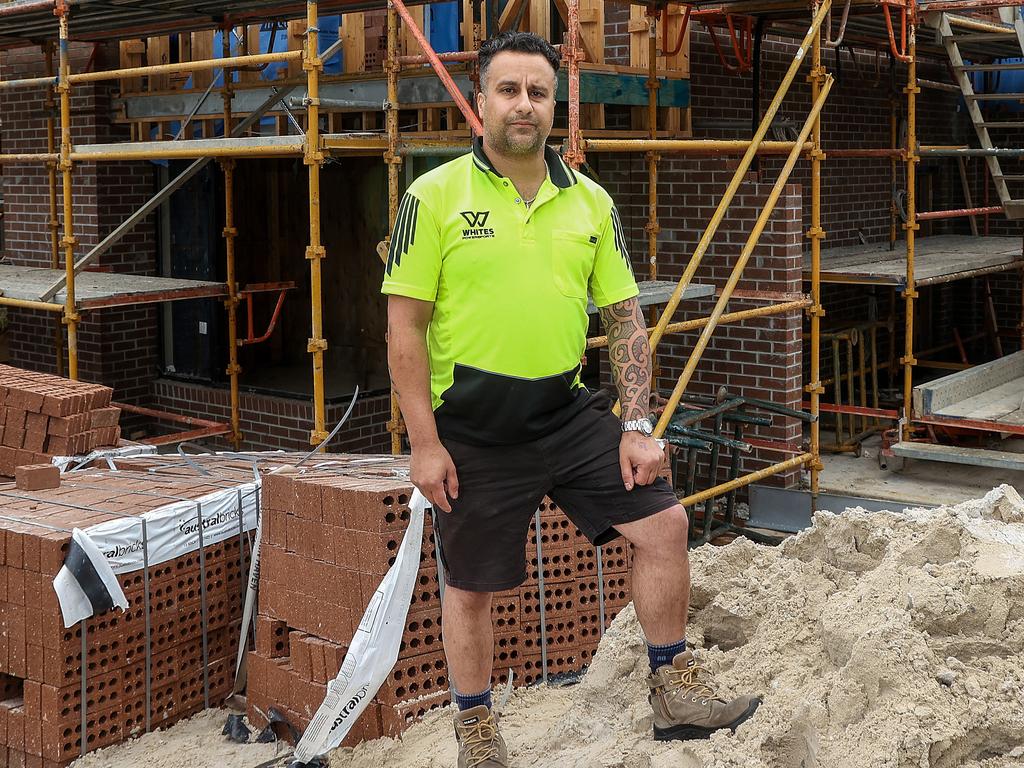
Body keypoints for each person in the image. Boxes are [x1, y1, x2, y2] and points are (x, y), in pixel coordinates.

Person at [382, 30, 760, 768]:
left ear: (554, 108)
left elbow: (624, 316)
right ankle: (477, 728)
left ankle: (673, 689)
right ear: (480, 104)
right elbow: (405, 330)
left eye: (538, 92)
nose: (524, 105)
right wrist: (424, 443)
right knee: (472, 587)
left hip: (565, 411)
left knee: (665, 525)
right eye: (509, 90)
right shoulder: (432, 198)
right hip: (474, 431)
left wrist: (637, 423)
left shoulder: (590, 202)